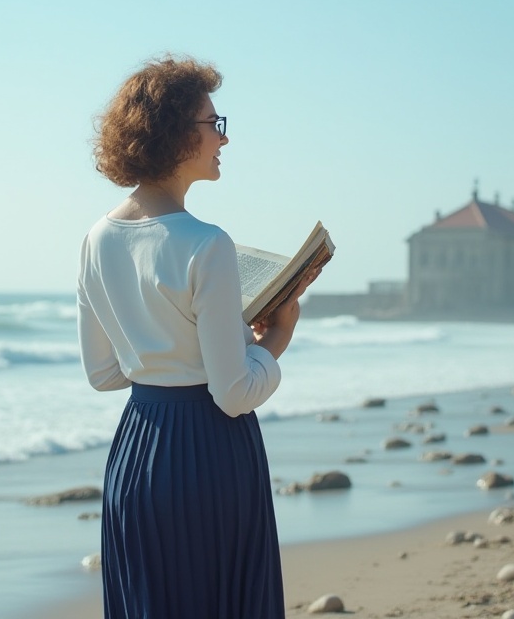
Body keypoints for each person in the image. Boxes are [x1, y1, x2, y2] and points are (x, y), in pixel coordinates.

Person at [77, 55, 317, 618]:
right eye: (215, 125)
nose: (223, 140)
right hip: (210, 455)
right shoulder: (207, 243)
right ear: (177, 133)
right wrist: (274, 338)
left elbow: (104, 374)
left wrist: (167, 354)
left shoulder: (96, 238)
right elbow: (232, 393)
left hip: (136, 452)